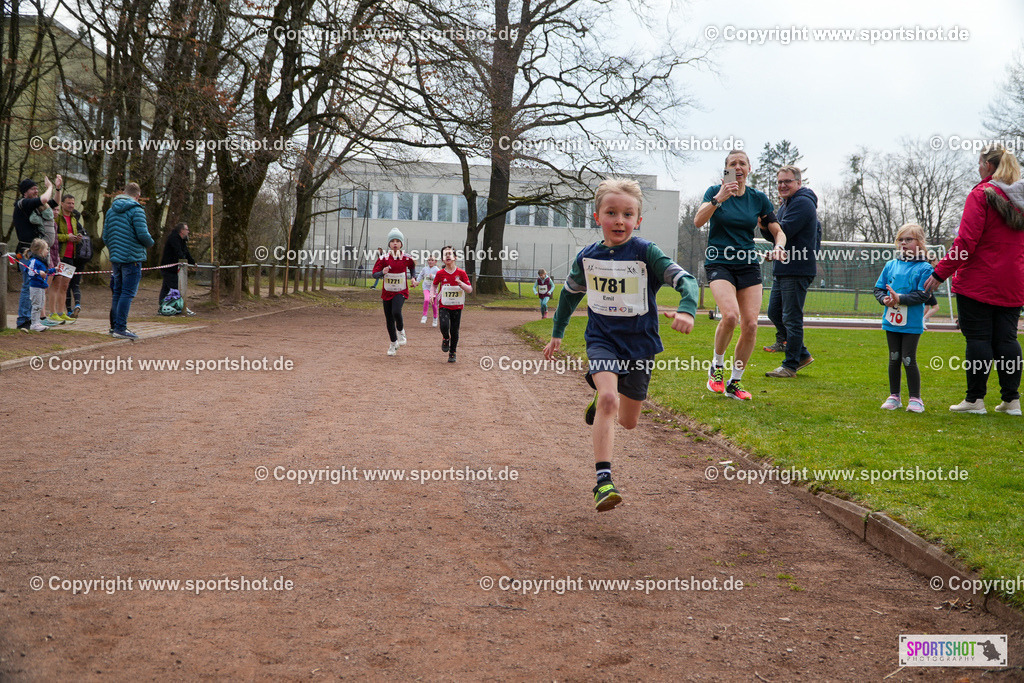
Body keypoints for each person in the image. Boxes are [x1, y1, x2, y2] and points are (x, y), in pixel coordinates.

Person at [543, 178, 698, 512]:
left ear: (637, 220)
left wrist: (687, 307)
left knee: (628, 421)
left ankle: (603, 394)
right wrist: (558, 331)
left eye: (627, 214)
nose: (619, 220)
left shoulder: (646, 253)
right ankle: (604, 482)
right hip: (602, 341)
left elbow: (686, 280)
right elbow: (570, 294)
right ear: (597, 216)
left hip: (640, 346)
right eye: (611, 213)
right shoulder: (588, 257)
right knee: (610, 401)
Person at [925, 145, 1024, 415]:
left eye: (980, 164)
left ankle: (974, 400)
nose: (978, 169)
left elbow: (966, 242)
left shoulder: (981, 194)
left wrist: (940, 272)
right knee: (1007, 340)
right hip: (1013, 281)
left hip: (979, 281)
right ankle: (1012, 401)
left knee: (978, 339)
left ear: (989, 167)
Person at [695, 151, 787, 400]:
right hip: (719, 261)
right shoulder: (715, 191)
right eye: (732, 163)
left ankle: (735, 383)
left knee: (751, 324)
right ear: (725, 168)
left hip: (747, 263)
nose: (737, 167)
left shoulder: (757, 198)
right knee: (730, 316)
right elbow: (697, 221)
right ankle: (716, 367)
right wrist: (718, 199)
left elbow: (777, 230)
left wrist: (779, 246)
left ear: (749, 169)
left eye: (742, 163)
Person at [764, 166, 820, 378]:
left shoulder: (803, 203)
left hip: (797, 269)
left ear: (798, 182)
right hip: (784, 268)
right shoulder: (786, 205)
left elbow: (783, 231)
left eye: (787, 181)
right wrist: (767, 225)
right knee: (774, 312)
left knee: (791, 317)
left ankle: (790, 365)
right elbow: (776, 237)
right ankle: (802, 354)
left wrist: (765, 220)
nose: (782, 185)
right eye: (779, 182)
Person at [874, 224, 934, 413]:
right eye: (901, 240)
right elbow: (878, 288)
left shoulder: (925, 268)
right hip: (891, 321)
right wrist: (885, 299)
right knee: (894, 357)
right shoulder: (890, 265)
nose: (904, 243)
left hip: (912, 323)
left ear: (920, 243)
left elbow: (923, 295)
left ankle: (916, 399)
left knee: (909, 359)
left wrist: (901, 299)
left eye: (909, 239)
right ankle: (894, 396)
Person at [104, 182, 154, 340]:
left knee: (117, 292)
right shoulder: (136, 210)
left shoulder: (111, 211)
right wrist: (150, 243)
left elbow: (105, 236)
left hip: (116, 258)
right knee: (127, 292)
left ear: (124, 192)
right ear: (137, 195)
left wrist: (115, 249)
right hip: (132, 258)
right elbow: (143, 234)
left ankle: (114, 327)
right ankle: (120, 328)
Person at [12, 177, 54, 331]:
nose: (36, 191)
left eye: (37, 188)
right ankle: (23, 320)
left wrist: (56, 188)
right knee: (28, 285)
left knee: (35, 286)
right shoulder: (22, 203)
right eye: (33, 189)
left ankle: (33, 321)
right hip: (26, 252)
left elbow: (53, 203)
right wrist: (48, 186)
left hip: (37, 252)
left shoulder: (34, 207)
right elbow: (44, 198)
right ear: (25, 193)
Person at [373, 229, 417, 356]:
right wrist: (382, 272)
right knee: (389, 319)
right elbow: (374, 274)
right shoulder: (383, 258)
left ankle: (401, 331)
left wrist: (413, 277)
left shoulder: (406, 257)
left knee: (396, 311)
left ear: (401, 244)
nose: (395, 243)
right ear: (389, 244)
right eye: (392, 241)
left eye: (398, 241)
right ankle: (393, 343)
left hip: (401, 291)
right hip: (387, 292)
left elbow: (412, 267)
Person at [433, 245, 472, 363]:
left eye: (450, 253)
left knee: (455, 330)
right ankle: (445, 337)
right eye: (445, 254)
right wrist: (432, 294)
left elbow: (469, 289)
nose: (448, 256)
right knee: (444, 326)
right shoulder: (440, 273)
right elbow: (434, 285)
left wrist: (461, 284)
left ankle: (452, 352)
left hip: (457, 306)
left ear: (455, 257)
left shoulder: (461, 273)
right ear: (443, 259)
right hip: (444, 305)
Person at [58, 193, 87, 317]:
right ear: (62, 204)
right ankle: (57, 312)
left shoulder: (74, 219)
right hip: (60, 256)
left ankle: (66, 311)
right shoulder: (57, 218)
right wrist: (66, 237)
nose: (71, 206)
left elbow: (74, 236)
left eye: (73, 203)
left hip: (71, 257)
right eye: (69, 203)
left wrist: (78, 238)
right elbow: (53, 236)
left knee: (66, 285)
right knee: (57, 285)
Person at [159, 223, 197, 315]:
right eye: (187, 229)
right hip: (169, 268)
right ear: (182, 231)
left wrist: (193, 262)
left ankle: (163, 306)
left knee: (166, 288)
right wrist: (183, 261)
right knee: (176, 288)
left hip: (174, 268)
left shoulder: (182, 240)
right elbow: (178, 252)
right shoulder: (174, 238)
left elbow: (186, 252)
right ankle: (181, 307)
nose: (188, 231)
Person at [24, 239, 56, 332]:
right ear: (40, 250)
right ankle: (34, 324)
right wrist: (38, 272)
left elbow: (46, 272)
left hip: (41, 287)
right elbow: (30, 271)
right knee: (36, 305)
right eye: (46, 249)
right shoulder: (34, 261)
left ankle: (37, 322)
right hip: (35, 287)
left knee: (41, 304)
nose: (48, 251)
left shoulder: (42, 262)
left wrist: (54, 269)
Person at [419, 254, 440, 326]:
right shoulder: (425, 269)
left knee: (434, 305)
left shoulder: (437, 269)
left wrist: (433, 276)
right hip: (426, 288)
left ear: (435, 261)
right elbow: (420, 275)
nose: (430, 262)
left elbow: (439, 278)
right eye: (429, 260)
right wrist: (417, 282)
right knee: (426, 300)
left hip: (434, 289)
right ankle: (424, 316)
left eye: (432, 260)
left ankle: (435, 319)